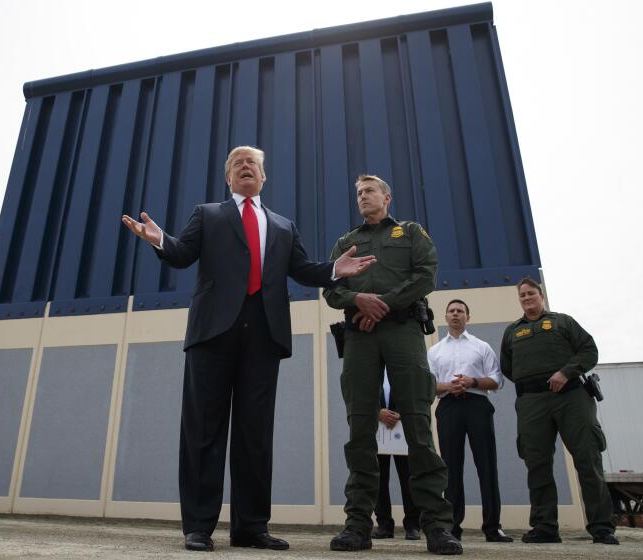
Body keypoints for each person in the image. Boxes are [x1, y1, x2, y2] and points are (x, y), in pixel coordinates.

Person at [122, 146, 375, 552]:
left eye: (252, 163)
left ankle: (251, 526)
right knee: (204, 431)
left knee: (255, 434)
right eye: (237, 163)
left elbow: (302, 270)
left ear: (263, 177)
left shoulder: (283, 225)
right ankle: (199, 526)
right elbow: (183, 254)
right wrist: (160, 240)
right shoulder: (208, 214)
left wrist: (333, 271)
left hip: (263, 336)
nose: (245, 167)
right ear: (228, 177)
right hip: (212, 335)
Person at [323, 174, 461, 555]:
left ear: (387, 196)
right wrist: (358, 300)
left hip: (402, 332)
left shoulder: (412, 233)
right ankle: (357, 526)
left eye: (369, 191)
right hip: (360, 337)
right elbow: (331, 289)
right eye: (358, 193)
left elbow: (425, 276)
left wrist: (380, 304)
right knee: (360, 427)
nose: (363, 197)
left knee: (418, 423)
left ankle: (436, 525)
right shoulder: (345, 243)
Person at [500, 278, 618, 545]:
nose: (527, 298)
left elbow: (589, 350)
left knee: (588, 459)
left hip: (571, 397)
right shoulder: (512, 332)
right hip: (532, 401)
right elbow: (508, 367)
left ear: (541, 295)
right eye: (522, 295)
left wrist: (566, 372)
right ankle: (545, 527)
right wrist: (533, 382)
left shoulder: (563, 322)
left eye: (531, 293)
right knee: (537, 463)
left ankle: (602, 527)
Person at [428, 299, 512, 543]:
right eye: (451, 311)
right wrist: (449, 386)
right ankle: (452, 528)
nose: (455, 314)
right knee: (451, 468)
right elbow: (430, 385)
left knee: (486, 465)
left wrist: (472, 382)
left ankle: (493, 527)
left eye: (460, 311)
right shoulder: (434, 351)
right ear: (446, 317)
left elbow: (497, 380)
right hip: (449, 406)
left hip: (477, 405)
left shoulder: (481, 346)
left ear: (468, 317)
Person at [373, 374, 421, 541]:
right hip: (378, 429)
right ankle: (384, 524)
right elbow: (362, 392)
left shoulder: (402, 363)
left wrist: (400, 413)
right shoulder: (372, 365)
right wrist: (377, 412)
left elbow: (416, 390)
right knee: (379, 478)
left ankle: (413, 525)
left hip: (404, 427)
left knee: (408, 476)